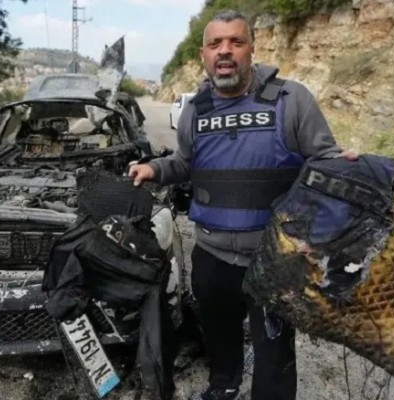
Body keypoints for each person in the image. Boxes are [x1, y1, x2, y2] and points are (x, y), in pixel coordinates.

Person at [128, 9, 357, 400]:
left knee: (274, 350)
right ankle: (224, 385)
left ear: (252, 48)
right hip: (212, 255)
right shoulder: (196, 110)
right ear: (203, 55)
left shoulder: (291, 100)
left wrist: (345, 167)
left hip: (275, 257)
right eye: (215, 43)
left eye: (236, 41)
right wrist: (154, 169)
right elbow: (185, 162)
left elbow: (323, 161)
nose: (225, 51)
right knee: (219, 332)